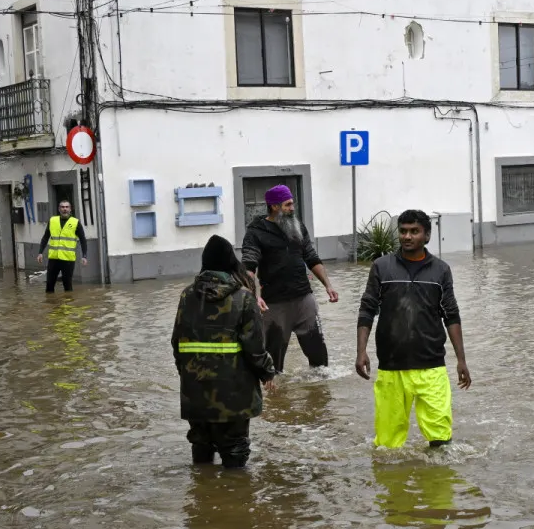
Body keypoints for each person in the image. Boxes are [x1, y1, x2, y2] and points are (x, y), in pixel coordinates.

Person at [355, 209, 471, 449]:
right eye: (403, 231)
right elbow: (367, 309)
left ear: (427, 236)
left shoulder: (441, 270)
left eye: (414, 232)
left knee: (441, 441)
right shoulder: (381, 267)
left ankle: (437, 485)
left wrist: (461, 360)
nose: (407, 236)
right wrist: (361, 351)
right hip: (391, 368)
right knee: (388, 447)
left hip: (432, 367)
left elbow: (451, 315)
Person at [172, 235, 277, 468]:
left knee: (201, 449)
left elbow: (177, 344)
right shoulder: (244, 299)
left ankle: (203, 497)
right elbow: (255, 348)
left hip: (196, 392)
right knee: (235, 455)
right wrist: (267, 372)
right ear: (231, 263)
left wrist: (189, 375)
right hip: (234, 396)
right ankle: (234, 499)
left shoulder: (187, 296)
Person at [242, 184, 341, 372]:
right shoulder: (256, 232)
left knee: (320, 362)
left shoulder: (297, 226)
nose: (292, 208)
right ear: (274, 206)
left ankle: (320, 396)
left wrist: (328, 285)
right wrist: (255, 296)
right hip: (274, 305)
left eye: (292, 204)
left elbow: (311, 257)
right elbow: (248, 267)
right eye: (287, 204)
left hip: (304, 299)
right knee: (273, 366)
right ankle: (276, 400)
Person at [36, 199, 86, 295]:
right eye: (62, 207)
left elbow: (83, 240)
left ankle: (68, 308)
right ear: (59, 209)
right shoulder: (52, 221)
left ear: (70, 209)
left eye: (67, 207)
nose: (65, 209)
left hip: (68, 259)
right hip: (54, 258)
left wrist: (84, 256)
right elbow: (45, 237)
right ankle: (52, 306)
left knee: (67, 285)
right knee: (49, 285)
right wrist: (40, 252)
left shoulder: (76, 222)